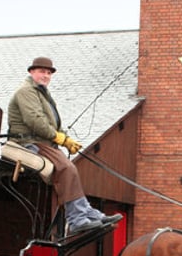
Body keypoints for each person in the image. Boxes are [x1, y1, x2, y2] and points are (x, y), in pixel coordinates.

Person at [7, 56, 122, 235]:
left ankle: (86, 212)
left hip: (44, 141)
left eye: (48, 73)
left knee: (70, 170)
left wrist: (67, 140)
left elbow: (54, 123)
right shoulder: (26, 91)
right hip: (29, 141)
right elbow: (35, 120)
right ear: (31, 72)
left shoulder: (42, 94)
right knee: (67, 168)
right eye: (42, 71)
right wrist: (59, 138)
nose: (46, 76)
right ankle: (76, 219)